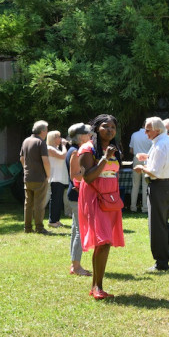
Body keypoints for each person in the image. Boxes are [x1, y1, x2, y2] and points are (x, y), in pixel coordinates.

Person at [133, 117, 169, 272]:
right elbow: (166, 161)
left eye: (147, 129)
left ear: (157, 130)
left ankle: (161, 262)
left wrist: (141, 168)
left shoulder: (160, 144)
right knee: (163, 223)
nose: (145, 132)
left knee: (157, 225)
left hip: (160, 186)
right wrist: (147, 157)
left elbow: (154, 171)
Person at [78, 114, 125, 299]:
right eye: (106, 126)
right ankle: (97, 287)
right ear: (97, 128)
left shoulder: (114, 149)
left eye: (113, 127)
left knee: (106, 243)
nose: (110, 130)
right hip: (94, 197)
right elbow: (88, 177)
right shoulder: (87, 149)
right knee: (102, 241)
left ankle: (96, 287)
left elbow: (114, 173)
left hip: (111, 199)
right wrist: (104, 158)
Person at [65, 123, 93, 276]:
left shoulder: (75, 150)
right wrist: (91, 174)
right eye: (89, 134)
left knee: (76, 229)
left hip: (76, 194)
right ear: (81, 137)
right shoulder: (75, 152)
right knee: (80, 231)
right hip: (77, 195)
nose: (91, 137)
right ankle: (76, 267)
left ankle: (74, 263)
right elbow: (75, 175)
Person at [20, 120, 51, 234]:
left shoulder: (26, 141)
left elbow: (22, 159)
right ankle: (39, 228)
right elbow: (46, 161)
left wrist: (27, 170)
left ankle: (27, 228)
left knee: (28, 204)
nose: (47, 132)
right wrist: (48, 175)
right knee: (39, 204)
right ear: (42, 131)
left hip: (28, 177)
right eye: (47, 130)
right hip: (39, 177)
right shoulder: (40, 142)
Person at [46, 130, 68, 228]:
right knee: (55, 199)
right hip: (55, 177)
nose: (60, 139)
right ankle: (52, 221)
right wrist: (64, 145)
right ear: (52, 139)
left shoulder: (55, 148)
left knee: (58, 200)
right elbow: (63, 156)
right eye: (58, 137)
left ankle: (56, 220)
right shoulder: (50, 148)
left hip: (59, 177)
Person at [129, 122, 152, 213]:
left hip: (137, 157)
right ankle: (145, 207)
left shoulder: (134, 134)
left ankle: (133, 207)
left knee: (135, 184)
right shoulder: (149, 135)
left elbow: (131, 150)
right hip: (147, 158)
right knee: (145, 184)